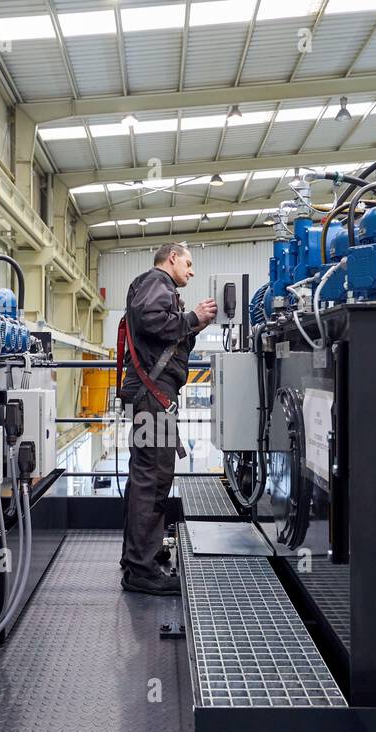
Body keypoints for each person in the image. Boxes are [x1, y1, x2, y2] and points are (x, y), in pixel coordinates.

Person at [118, 242, 217, 596]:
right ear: (171, 258)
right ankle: (141, 571)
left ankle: (137, 557)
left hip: (150, 396)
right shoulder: (157, 282)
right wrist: (192, 318)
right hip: (152, 397)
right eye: (188, 263)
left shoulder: (156, 286)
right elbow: (151, 320)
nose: (191, 271)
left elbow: (162, 336)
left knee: (145, 475)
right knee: (153, 477)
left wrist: (195, 324)